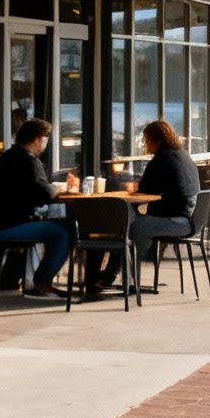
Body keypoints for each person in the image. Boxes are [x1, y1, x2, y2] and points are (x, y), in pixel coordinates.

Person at [85, 119, 199, 294]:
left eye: (146, 141)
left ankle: (111, 279)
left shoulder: (161, 159)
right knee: (126, 228)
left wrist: (131, 188)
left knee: (126, 229)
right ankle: (109, 278)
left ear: (156, 140)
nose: (146, 145)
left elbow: (145, 188)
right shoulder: (184, 155)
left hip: (174, 221)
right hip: (188, 219)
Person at [0, 119, 71, 297]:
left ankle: (33, 280)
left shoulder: (6, 158)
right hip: (11, 227)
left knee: (55, 228)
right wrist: (59, 187)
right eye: (45, 138)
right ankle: (42, 281)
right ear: (38, 139)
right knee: (63, 232)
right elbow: (45, 194)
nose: (45, 143)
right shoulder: (29, 162)